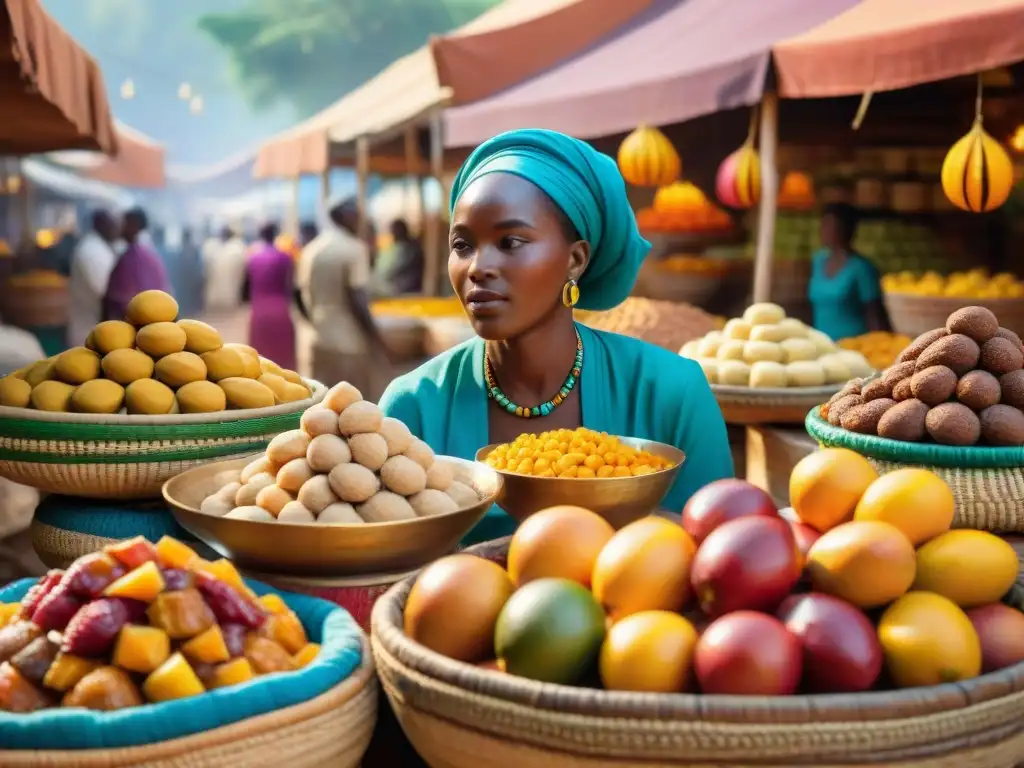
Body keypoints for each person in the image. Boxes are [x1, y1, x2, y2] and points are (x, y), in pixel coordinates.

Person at [379, 129, 734, 545]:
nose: (477, 267)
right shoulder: (414, 407)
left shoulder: (673, 394)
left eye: (510, 242)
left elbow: (719, 552)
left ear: (576, 260)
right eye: (463, 245)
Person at [296, 198, 390, 394]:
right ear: (346, 216)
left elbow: (297, 293)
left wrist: (314, 321)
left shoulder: (311, 250)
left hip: (317, 339)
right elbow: (357, 298)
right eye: (357, 215)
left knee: (319, 408)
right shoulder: (354, 249)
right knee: (352, 409)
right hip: (348, 343)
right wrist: (377, 338)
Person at [808, 203, 887, 340]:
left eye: (831, 226)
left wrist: (878, 346)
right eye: (823, 225)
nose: (823, 230)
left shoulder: (862, 268)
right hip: (821, 346)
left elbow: (874, 314)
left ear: (846, 230)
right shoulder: (818, 261)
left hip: (852, 347)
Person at [104, 208, 172, 322]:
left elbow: (123, 298)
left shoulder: (137, 255)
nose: (121, 227)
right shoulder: (143, 250)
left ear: (134, 225)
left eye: (125, 223)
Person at [246, 222, 296, 370]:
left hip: (259, 311)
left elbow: (247, 287)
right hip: (280, 310)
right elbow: (290, 285)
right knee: (284, 361)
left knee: (260, 361)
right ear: (275, 235)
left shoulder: (253, 258)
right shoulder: (285, 257)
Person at [67, 210, 119, 347]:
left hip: (95, 328)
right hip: (87, 330)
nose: (117, 229)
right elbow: (104, 291)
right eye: (113, 224)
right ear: (101, 225)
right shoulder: (91, 251)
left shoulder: (100, 247)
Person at [203, 225, 248, 312]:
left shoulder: (237, 247)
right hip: (216, 291)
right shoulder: (211, 246)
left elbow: (241, 268)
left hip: (230, 291)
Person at [385, 218, 424, 295]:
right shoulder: (408, 245)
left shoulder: (407, 248)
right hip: (406, 284)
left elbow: (394, 269)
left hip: (408, 286)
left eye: (393, 232)